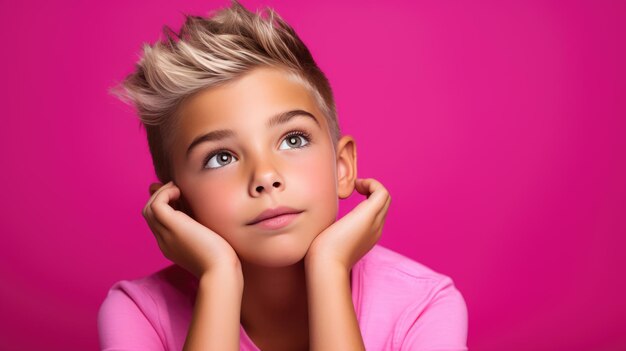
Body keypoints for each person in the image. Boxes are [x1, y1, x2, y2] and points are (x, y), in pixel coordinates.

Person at [97, 0, 468, 350]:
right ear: (175, 205)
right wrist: (219, 278)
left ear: (342, 168)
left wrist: (329, 267)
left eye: (293, 139)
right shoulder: (139, 311)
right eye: (220, 157)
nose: (266, 176)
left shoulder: (424, 305)